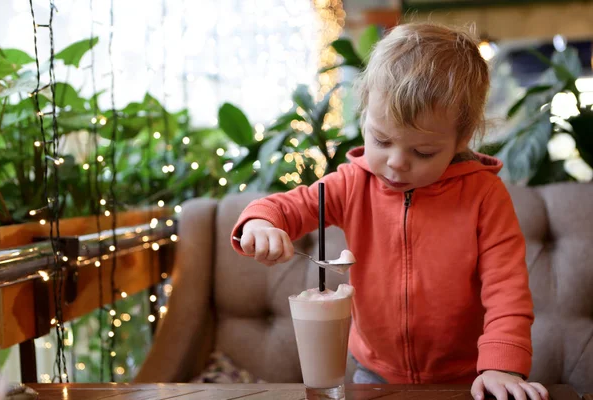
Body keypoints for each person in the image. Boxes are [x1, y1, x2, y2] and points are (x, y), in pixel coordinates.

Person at [231, 22, 548, 400]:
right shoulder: (351, 183)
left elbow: (507, 290)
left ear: (460, 140)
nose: (397, 163)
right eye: (381, 140)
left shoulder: (484, 196)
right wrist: (260, 222)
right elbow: (285, 207)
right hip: (375, 373)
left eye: (423, 152)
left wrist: (501, 366)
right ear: (365, 116)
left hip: (466, 377)